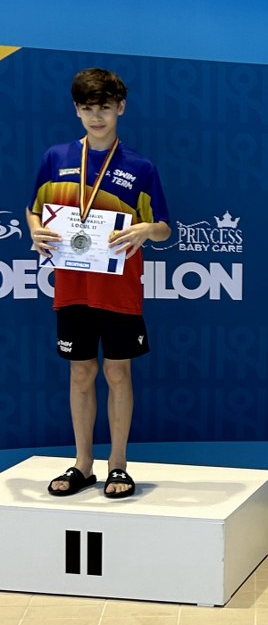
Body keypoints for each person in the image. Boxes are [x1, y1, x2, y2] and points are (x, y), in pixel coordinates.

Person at [26, 68, 171, 499]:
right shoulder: (55, 158)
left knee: (117, 372)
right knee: (81, 372)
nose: (96, 117)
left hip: (119, 288)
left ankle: (118, 465)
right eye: (87, 108)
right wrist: (34, 229)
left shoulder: (140, 167)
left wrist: (146, 230)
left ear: (120, 108)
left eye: (104, 107)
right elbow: (33, 208)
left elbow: (164, 227)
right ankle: (83, 464)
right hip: (72, 286)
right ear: (76, 110)